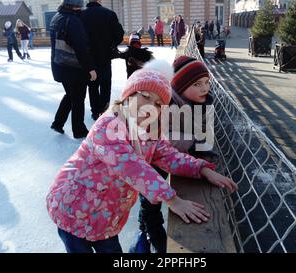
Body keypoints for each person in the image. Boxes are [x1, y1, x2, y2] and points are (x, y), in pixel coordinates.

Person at [46, 59, 237, 253]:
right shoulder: (108, 127)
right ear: (128, 95)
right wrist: (172, 200)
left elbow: (168, 154)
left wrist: (201, 169)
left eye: (158, 103)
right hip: (73, 208)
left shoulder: (150, 129)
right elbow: (132, 167)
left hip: (106, 216)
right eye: (145, 96)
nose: (150, 106)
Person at [130, 56, 224, 253]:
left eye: (207, 82)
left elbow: (204, 131)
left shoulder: (204, 104)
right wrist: (192, 142)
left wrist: (203, 156)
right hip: (152, 163)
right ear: (181, 86)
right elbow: (160, 139)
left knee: (151, 201)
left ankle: (147, 232)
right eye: (197, 84)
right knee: (150, 203)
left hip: (173, 159)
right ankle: (149, 236)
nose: (204, 88)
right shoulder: (166, 104)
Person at [50, 0, 97, 139]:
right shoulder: (73, 20)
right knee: (78, 98)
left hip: (59, 64)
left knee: (70, 95)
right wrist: (90, 68)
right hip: (74, 67)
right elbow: (81, 47)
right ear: (77, 5)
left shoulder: (57, 17)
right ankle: (79, 130)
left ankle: (58, 123)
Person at [81, 0, 124, 121]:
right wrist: (111, 45)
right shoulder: (109, 14)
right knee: (105, 84)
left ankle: (95, 111)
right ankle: (103, 110)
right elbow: (119, 34)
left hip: (88, 57)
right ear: (99, 1)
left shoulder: (81, 15)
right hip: (105, 56)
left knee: (92, 85)